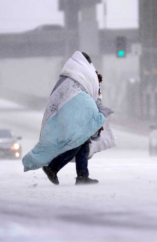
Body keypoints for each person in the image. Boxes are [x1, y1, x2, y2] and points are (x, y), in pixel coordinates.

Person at [22, 51, 114, 185]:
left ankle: (82, 176)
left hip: (66, 111)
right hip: (75, 110)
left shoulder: (68, 74)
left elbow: (57, 95)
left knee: (82, 142)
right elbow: (93, 90)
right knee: (77, 141)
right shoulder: (85, 72)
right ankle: (53, 168)